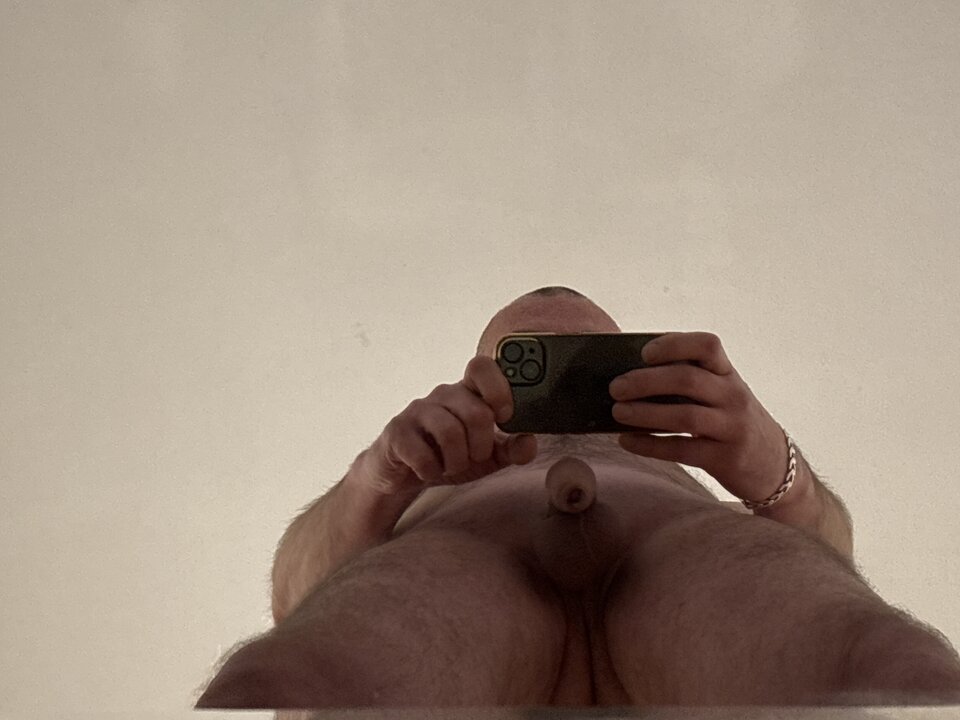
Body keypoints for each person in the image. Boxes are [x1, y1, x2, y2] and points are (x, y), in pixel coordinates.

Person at [196, 286, 960, 710]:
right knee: (303, 670)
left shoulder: (692, 476)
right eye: (526, 364)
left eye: (586, 365)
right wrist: (381, 477)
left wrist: (775, 468)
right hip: (463, 563)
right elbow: (294, 593)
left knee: (874, 656)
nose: (560, 386)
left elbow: (830, 554)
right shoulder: (427, 478)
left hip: (680, 563)